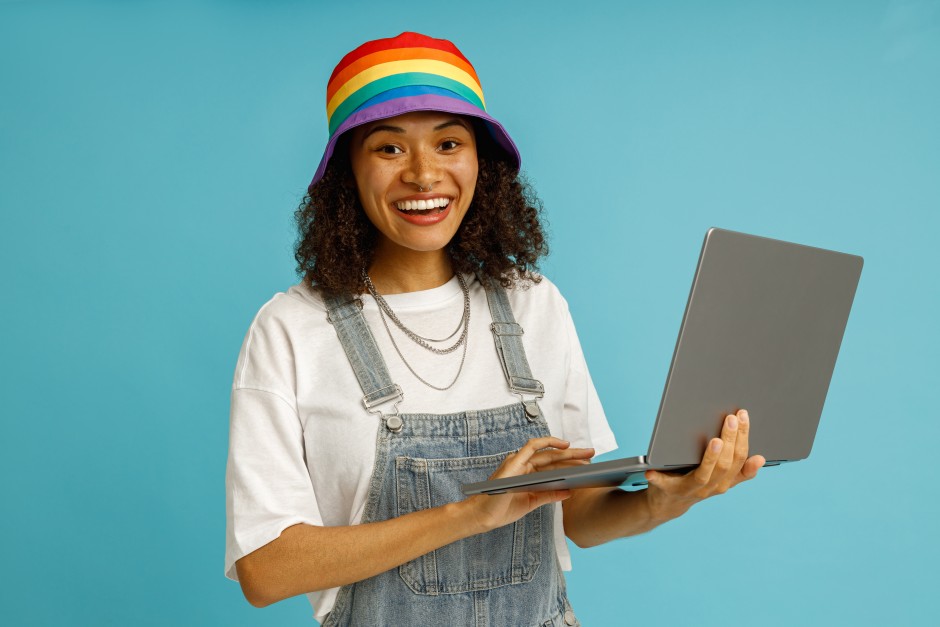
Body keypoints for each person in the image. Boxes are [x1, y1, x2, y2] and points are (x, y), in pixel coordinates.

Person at [224, 31, 765, 626]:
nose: (425, 175)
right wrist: (471, 512)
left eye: (449, 142)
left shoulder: (535, 305)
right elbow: (266, 568)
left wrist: (670, 498)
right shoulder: (291, 329)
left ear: (481, 163)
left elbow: (580, 518)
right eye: (389, 149)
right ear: (347, 172)